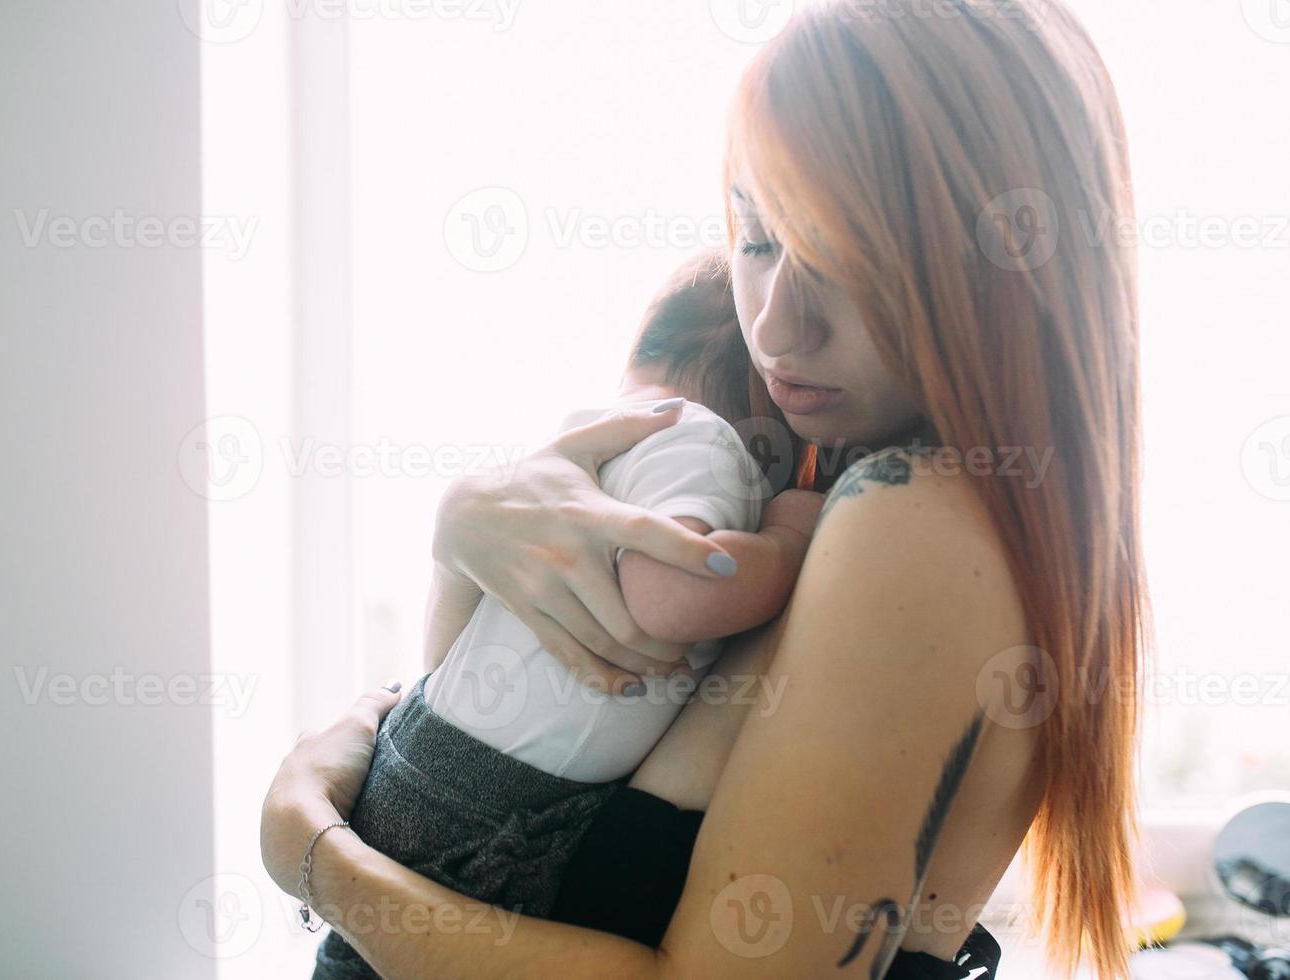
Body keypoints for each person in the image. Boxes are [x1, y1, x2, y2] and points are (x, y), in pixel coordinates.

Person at [263, 0, 1149, 976]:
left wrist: (313, 855)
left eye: (846, 255)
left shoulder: (912, 518)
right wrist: (464, 523)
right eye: (759, 241)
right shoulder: (863, 496)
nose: (776, 327)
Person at [313, 251, 825, 979]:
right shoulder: (698, 438)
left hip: (422, 761)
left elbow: (451, 639)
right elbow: (669, 591)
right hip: (500, 808)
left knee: (359, 956)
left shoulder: (575, 443)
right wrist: (787, 540)